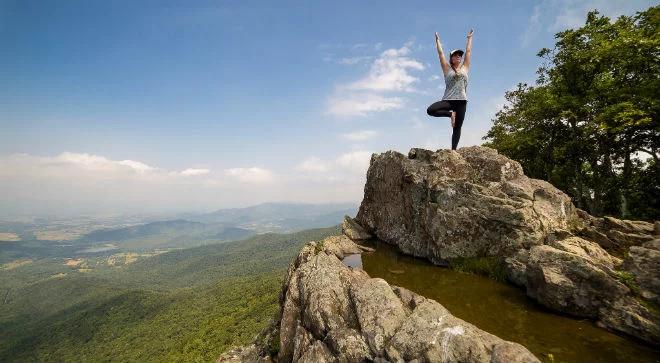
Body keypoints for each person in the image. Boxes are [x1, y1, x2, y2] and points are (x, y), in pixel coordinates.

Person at [426, 29, 473, 150]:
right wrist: (437, 41)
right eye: (455, 55)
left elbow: (468, 51)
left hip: (462, 101)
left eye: (459, 55)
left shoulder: (465, 68)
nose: (458, 56)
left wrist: (469, 38)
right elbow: (440, 55)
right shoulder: (447, 69)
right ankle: (450, 114)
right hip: (449, 100)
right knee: (431, 110)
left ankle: (453, 151)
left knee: (457, 127)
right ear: (451, 58)